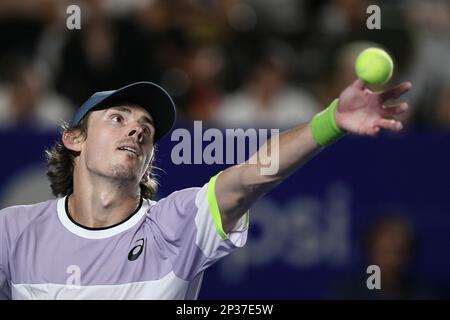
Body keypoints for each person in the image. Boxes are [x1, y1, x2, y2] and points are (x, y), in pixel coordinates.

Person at [0, 78, 411, 299]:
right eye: (118, 118)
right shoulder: (13, 231)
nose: (138, 129)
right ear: (75, 140)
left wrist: (331, 122)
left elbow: (252, 174)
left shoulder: (175, 225)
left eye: (147, 128)